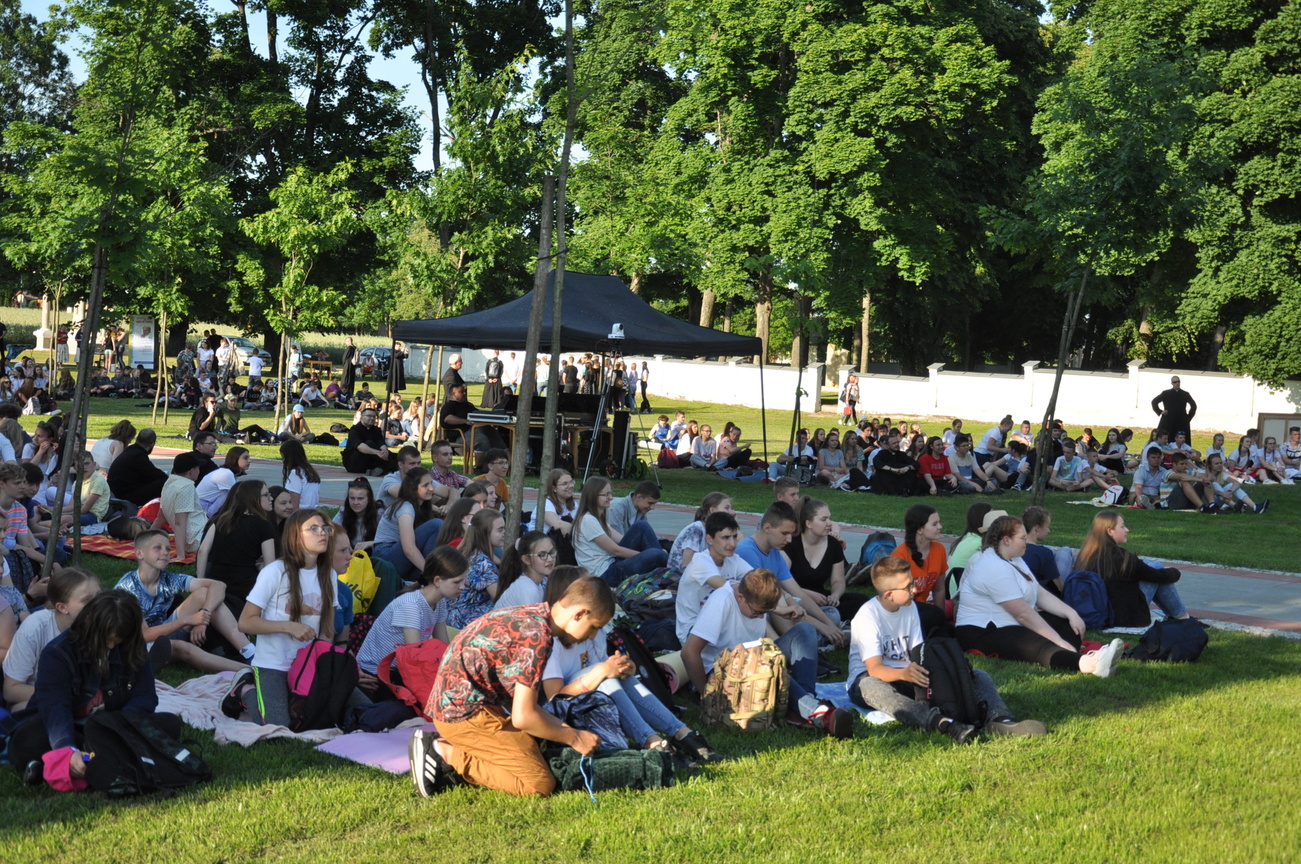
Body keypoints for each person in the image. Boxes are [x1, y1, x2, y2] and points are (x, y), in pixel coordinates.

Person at [409, 575, 615, 797]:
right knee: (539, 784)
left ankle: (458, 746)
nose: (593, 635)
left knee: (535, 742)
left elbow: (519, 703)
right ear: (579, 614)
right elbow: (523, 717)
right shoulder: (537, 637)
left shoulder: (532, 616)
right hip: (463, 716)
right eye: (594, 627)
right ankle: (443, 752)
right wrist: (575, 737)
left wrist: (560, 729)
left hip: (456, 706)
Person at [846, 556, 1046, 744]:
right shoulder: (868, 616)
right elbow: (875, 669)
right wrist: (904, 674)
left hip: (909, 674)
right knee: (871, 686)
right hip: (872, 678)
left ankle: (1000, 719)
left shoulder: (909, 607)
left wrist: (936, 674)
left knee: (978, 675)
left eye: (913, 582)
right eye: (908, 586)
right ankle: (940, 723)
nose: (915, 589)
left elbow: (918, 652)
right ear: (889, 594)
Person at [7, 589, 184, 788]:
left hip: (113, 725)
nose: (111, 646)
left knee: (170, 723)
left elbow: (146, 696)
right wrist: (66, 747)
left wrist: (120, 726)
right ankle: (98, 759)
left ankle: (66, 765)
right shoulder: (58, 653)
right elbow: (55, 708)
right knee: (27, 739)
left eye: (117, 640)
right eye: (107, 639)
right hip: (72, 728)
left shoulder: (133, 647)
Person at [229, 509, 371, 727]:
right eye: (313, 528)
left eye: (324, 528)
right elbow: (245, 622)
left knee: (365, 711)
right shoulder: (275, 572)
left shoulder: (328, 575)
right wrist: (288, 626)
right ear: (295, 536)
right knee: (279, 727)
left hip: (309, 664)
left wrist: (328, 666)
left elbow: (327, 631)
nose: (322, 533)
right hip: (273, 665)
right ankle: (245, 690)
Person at [682, 568, 853, 738]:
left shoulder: (750, 596)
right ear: (740, 597)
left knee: (804, 630)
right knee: (765, 664)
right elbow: (689, 652)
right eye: (758, 612)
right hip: (724, 673)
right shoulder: (721, 602)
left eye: (764, 613)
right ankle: (818, 714)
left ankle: (804, 704)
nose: (760, 617)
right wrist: (707, 695)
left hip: (754, 661)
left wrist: (778, 610)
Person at [955, 515, 1123, 677]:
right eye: (1022, 538)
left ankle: (1069, 654)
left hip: (1011, 622)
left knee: (1068, 626)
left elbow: (1038, 591)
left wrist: (1071, 614)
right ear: (1006, 540)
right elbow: (1022, 614)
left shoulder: (1014, 559)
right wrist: (1058, 641)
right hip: (983, 631)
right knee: (1034, 644)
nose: (1026, 542)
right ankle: (1091, 664)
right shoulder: (992, 566)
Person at [115, 530, 252, 673]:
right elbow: (145, 635)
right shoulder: (128, 588)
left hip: (163, 631)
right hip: (137, 644)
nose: (165, 552)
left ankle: (249, 652)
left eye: (168, 548)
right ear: (139, 554)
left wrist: (204, 616)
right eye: (158, 548)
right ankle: (250, 670)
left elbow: (219, 586)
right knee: (183, 648)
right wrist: (187, 620)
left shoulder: (168, 579)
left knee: (204, 593)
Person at [736, 502, 847, 648]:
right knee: (779, 599)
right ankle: (800, 644)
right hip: (760, 613)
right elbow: (769, 599)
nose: (789, 540)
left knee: (832, 614)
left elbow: (797, 592)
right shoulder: (747, 551)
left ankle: (819, 638)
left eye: (791, 534)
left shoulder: (775, 552)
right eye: (785, 533)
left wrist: (829, 625)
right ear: (767, 528)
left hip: (781, 610)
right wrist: (822, 626)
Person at [355, 546, 467, 677]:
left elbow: (444, 647)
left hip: (398, 670)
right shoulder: (410, 605)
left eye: (464, 581)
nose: (462, 587)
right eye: (457, 582)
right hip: (374, 672)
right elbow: (415, 656)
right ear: (437, 581)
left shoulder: (440, 602)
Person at [3, 568, 100, 711]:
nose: (98, 604)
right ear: (62, 607)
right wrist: (66, 695)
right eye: (87, 600)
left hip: (86, 698)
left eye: (99, 596)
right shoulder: (35, 628)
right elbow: (11, 691)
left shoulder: (102, 624)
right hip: (35, 699)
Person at [1075, 511, 1189, 628]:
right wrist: (1175, 572)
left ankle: (1179, 616)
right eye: (1122, 526)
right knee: (1157, 567)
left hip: (1093, 612)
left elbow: (1142, 569)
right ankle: (1182, 617)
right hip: (1122, 617)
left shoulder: (1085, 554)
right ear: (1110, 531)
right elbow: (1157, 576)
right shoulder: (1123, 558)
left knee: (1152, 567)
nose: (1127, 530)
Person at [196, 480, 278, 621]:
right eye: (266, 495)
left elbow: (203, 551)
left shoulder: (221, 520)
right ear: (253, 498)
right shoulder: (264, 526)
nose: (271, 498)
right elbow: (270, 565)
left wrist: (201, 582)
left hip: (216, 580)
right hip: (244, 586)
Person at [572, 477, 667, 586]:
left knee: (642, 526)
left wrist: (648, 554)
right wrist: (646, 555)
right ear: (593, 496)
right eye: (606, 495)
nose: (611, 497)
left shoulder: (598, 519)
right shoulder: (588, 520)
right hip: (604, 574)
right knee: (655, 554)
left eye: (610, 493)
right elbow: (615, 550)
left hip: (613, 563)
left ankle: (663, 572)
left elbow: (622, 540)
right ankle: (669, 573)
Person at [675, 511, 751, 644]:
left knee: (759, 615)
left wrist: (786, 598)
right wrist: (776, 608)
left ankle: (776, 646)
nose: (732, 544)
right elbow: (727, 588)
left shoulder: (734, 560)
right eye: (726, 538)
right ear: (709, 539)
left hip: (721, 623)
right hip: (693, 629)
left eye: (734, 537)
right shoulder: (700, 561)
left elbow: (760, 579)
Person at [786, 497, 865, 622]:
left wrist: (835, 596)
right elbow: (780, 582)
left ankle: (827, 617)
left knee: (861, 601)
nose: (829, 523)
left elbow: (838, 581)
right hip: (794, 596)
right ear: (809, 523)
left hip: (821, 598)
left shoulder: (833, 544)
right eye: (824, 519)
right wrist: (808, 594)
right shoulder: (791, 544)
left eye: (829, 518)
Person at [889, 504, 949, 637]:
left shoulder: (939, 549)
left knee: (946, 630)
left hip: (924, 610)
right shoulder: (900, 555)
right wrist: (937, 615)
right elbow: (895, 599)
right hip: (900, 610)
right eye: (934, 524)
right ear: (920, 530)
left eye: (939, 522)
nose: (940, 527)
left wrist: (941, 618)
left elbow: (939, 589)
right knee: (933, 616)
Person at [374, 468, 443, 581]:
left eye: (431, 483)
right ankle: (429, 575)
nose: (431, 488)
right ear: (413, 489)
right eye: (425, 485)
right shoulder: (405, 507)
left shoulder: (422, 507)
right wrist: (430, 574)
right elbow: (408, 549)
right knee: (436, 525)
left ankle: (415, 583)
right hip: (385, 557)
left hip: (397, 557)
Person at [447, 509, 506, 629]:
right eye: (500, 530)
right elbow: (502, 599)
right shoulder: (482, 563)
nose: (504, 533)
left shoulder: (471, 553)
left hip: (453, 612)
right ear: (485, 533)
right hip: (465, 619)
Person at [155, 452, 207, 561]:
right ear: (191, 471)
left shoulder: (169, 483)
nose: (199, 471)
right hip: (199, 538)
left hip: (193, 539)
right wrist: (180, 555)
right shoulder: (186, 486)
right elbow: (180, 522)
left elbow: (160, 518)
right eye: (198, 468)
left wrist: (143, 539)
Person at [666, 492, 733, 573]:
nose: (731, 512)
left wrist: (733, 526)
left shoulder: (714, 531)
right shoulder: (696, 530)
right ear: (712, 510)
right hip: (679, 577)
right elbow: (686, 567)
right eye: (727, 508)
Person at [493, 531, 556, 610]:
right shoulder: (528, 589)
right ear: (526, 560)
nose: (550, 559)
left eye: (551, 552)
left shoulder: (535, 584)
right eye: (542, 555)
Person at [1204, 453, 1269, 514]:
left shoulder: (1222, 474)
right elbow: (1208, 489)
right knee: (1215, 484)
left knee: (1232, 485)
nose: (1219, 465)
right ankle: (1234, 506)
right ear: (1210, 465)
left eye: (1221, 463)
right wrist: (1223, 494)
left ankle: (1255, 506)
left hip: (1220, 499)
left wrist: (1230, 491)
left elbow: (1236, 482)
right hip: (1208, 502)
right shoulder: (1204, 474)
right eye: (1216, 464)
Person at [196, 446, 250, 517]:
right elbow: (237, 498)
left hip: (205, 505)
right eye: (245, 458)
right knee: (232, 494)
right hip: (203, 508)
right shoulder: (226, 474)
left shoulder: (231, 474)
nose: (249, 461)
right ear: (235, 459)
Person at [1019, 506, 1063, 593]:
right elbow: (1058, 586)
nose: (1048, 531)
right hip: (1041, 594)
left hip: (1021, 591)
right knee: (1065, 551)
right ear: (1037, 528)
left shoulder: (1014, 549)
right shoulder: (1043, 553)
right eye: (1047, 527)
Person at [342, 406, 392, 476]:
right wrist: (378, 453)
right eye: (369, 416)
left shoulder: (376, 430)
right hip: (354, 462)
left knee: (395, 455)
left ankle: (381, 468)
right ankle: (387, 467)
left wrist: (385, 451)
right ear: (362, 417)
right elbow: (359, 446)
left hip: (370, 460)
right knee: (369, 443)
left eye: (374, 417)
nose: (372, 418)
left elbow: (381, 443)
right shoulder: (355, 430)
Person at [333, 477, 379, 552]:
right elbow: (331, 531)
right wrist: (344, 543)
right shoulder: (343, 513)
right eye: (352, 498)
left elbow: (389, 540)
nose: (355, 502)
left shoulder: (379, 513)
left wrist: (370, 543)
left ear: (369, 499)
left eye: (360, 499)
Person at [1152, 374, 1196, 440]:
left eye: (1178, 382)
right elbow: (1154, 402)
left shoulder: (1185, 394)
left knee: (1181, 438)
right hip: (1168, 420)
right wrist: (1160, 411)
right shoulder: (1166, 393)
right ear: (1172, 383)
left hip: (1181, 421)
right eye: (1175, 382)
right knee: (1166, 438)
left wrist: (1188, 418)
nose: (1177, 383)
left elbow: (1193, 406)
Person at [280, 439, 321, 511]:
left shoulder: (296, 473)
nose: (283, 461)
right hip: (313, 511)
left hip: (301, 513)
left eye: (284, 458)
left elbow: (294, 505)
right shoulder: (310, 471)